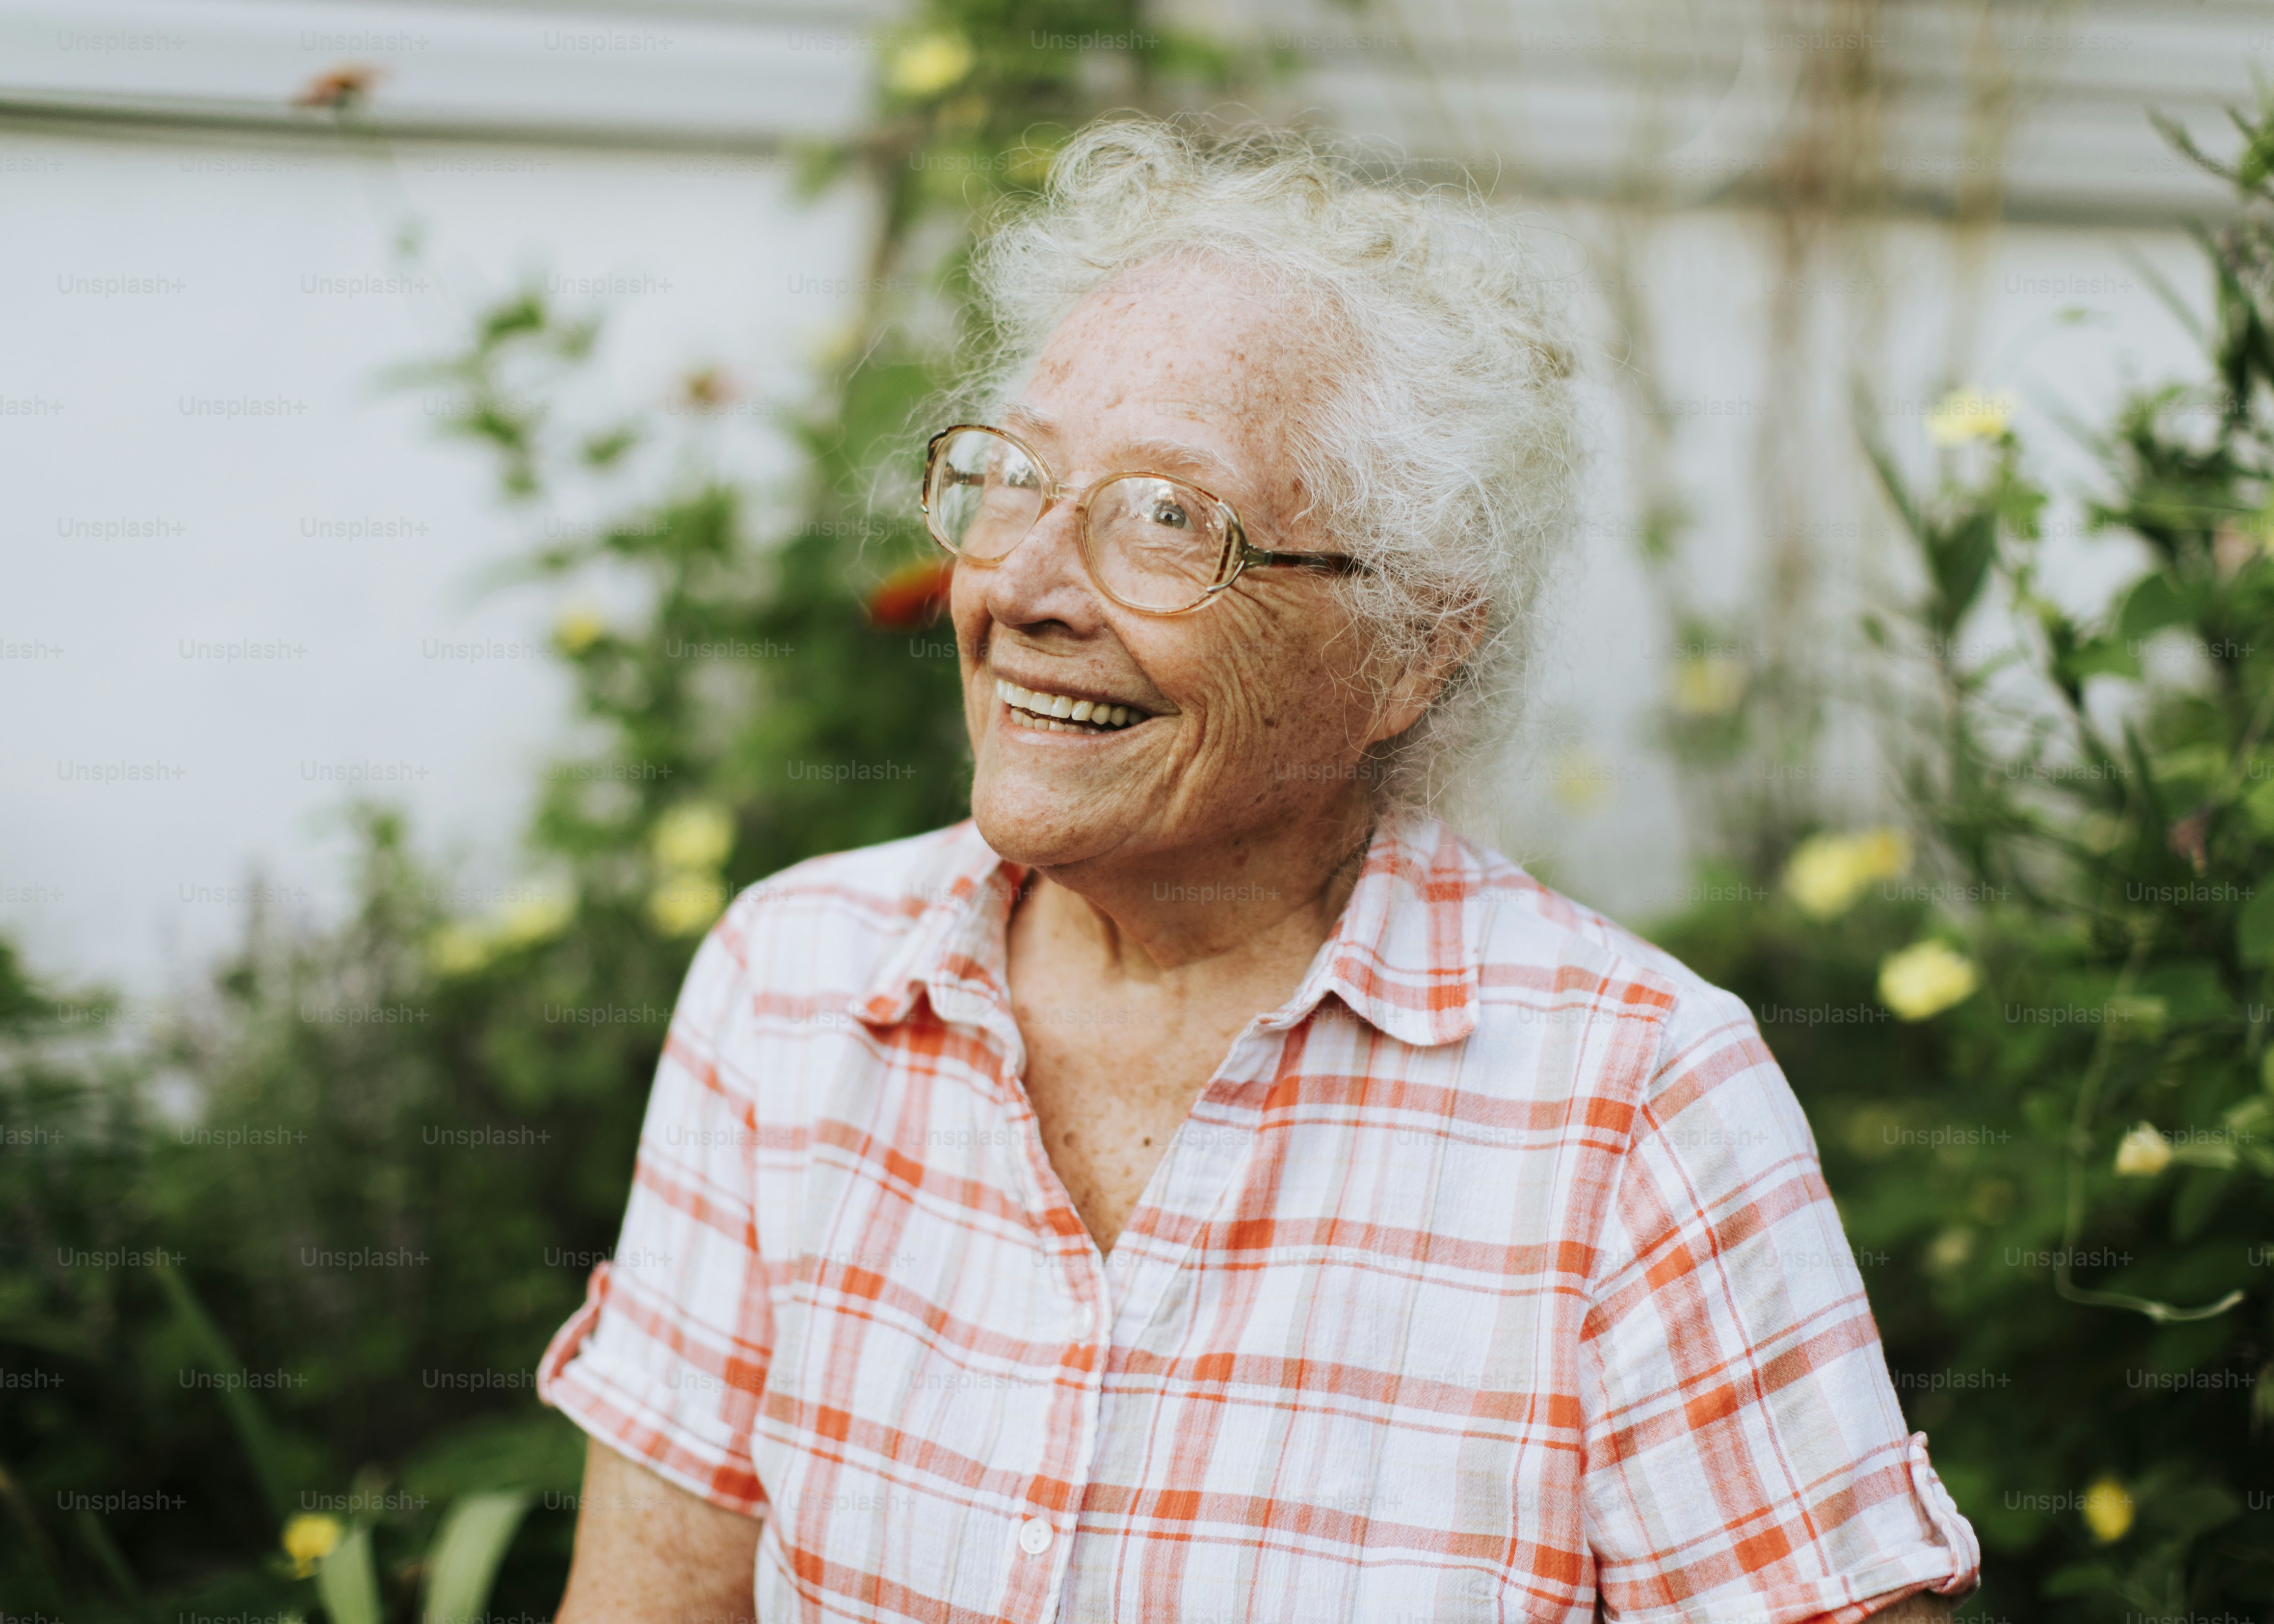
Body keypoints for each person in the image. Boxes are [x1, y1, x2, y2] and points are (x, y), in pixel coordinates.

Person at [538, 116, 1979, 1624]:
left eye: (1168, 518)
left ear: (1413, 646)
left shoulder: (1629, 1109)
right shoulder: (795, 983)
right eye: (1012, 479)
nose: (1023, 587)